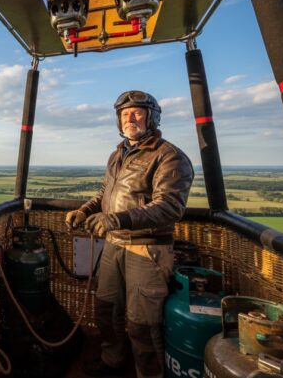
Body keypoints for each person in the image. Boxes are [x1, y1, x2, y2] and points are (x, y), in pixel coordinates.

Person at [65, 90, 194, 378]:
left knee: (142, 324)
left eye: (136, 112)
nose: (130, 118)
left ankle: (148, 373)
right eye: (125, 114)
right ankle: (113, 360)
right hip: (114, 246)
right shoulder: (117, 155)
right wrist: (85, 211)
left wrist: (116, 219)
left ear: (152, 117)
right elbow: (105, 193)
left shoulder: (169, 156)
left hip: (147, 250)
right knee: (106, 310)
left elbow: (170, 206)